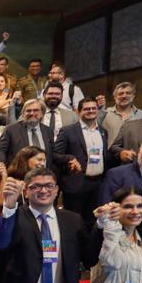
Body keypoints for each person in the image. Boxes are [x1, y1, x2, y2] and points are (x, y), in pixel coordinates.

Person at [55, 97, 111, 228]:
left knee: (93, 221)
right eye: (86, 109)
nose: (90, 111)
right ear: (78, 112)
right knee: (73, 222)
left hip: (97, 184)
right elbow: (55, 154)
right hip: (76, 183)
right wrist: (70, 158)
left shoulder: (103, 131)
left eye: (93, 108)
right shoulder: (68, 131)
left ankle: (89, 248)